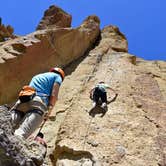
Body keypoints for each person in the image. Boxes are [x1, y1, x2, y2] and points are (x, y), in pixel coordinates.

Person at [11, 67, 65, 139]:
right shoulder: (58, 77)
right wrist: (50, 109)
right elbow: (54, 95)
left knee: (7, 124)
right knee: (21, 133)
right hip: (38, 102)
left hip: (24, 99)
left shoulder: (37, 76)